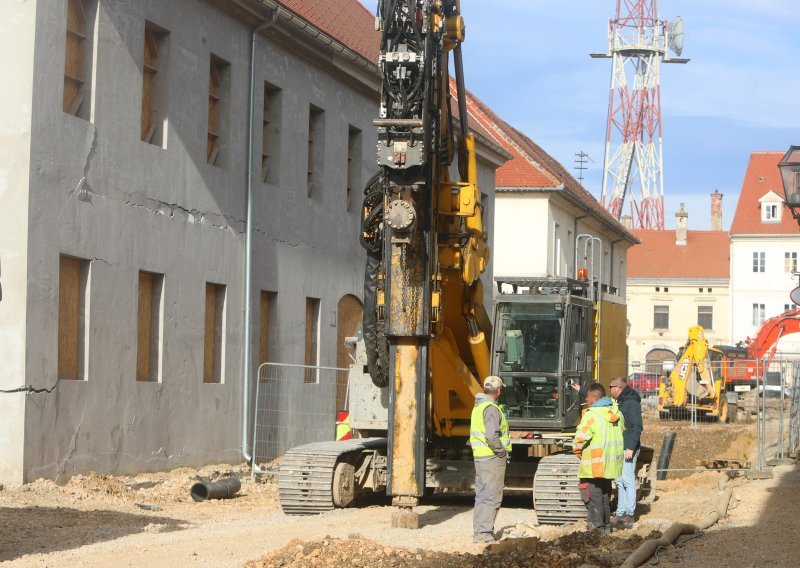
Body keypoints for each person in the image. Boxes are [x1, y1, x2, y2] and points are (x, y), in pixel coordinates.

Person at [573, 383, 625, 532]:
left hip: (593, 467)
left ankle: (597, 530)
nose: (586, 400)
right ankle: (606, 528)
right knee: (604, 498)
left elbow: (578, 442)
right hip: (610, 466)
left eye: (588, 397)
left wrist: (580, 455)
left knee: (592, 498)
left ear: (594, 398)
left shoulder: (592, 415)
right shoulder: (617, 414)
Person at [469, 375, 511, 543]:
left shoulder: (479, 406)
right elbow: (492, 436)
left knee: (482, 495)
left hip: (481, 457)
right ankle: (484, 534)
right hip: (492, 458)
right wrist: (501, 452)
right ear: (499, 390)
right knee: (491, 496)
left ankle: (479, 532)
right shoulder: (491, 408)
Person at [609, 376, 643, 528]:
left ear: (618, 388)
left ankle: (630, 514)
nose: (609, 389)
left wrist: (630, 447)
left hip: (628, 448)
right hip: (619, 447)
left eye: (611, 387)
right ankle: (620, 513)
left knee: (627, 480)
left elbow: (637, 426)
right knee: (619, 481)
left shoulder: (631, 404)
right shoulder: (620, 402)